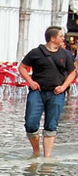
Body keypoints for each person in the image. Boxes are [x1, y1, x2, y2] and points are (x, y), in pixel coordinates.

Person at [18, 26, 76, 158]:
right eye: (61, 36)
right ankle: (36, 150)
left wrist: (63, 87)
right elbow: (22, 67)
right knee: (31, 123)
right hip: (37, 91)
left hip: (56, 93)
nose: (63, 39)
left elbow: (72, 73)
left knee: (51, 124)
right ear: (53, 38)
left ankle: (47, 156)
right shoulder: (35, 52)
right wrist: (30, 82)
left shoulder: (65, 54)